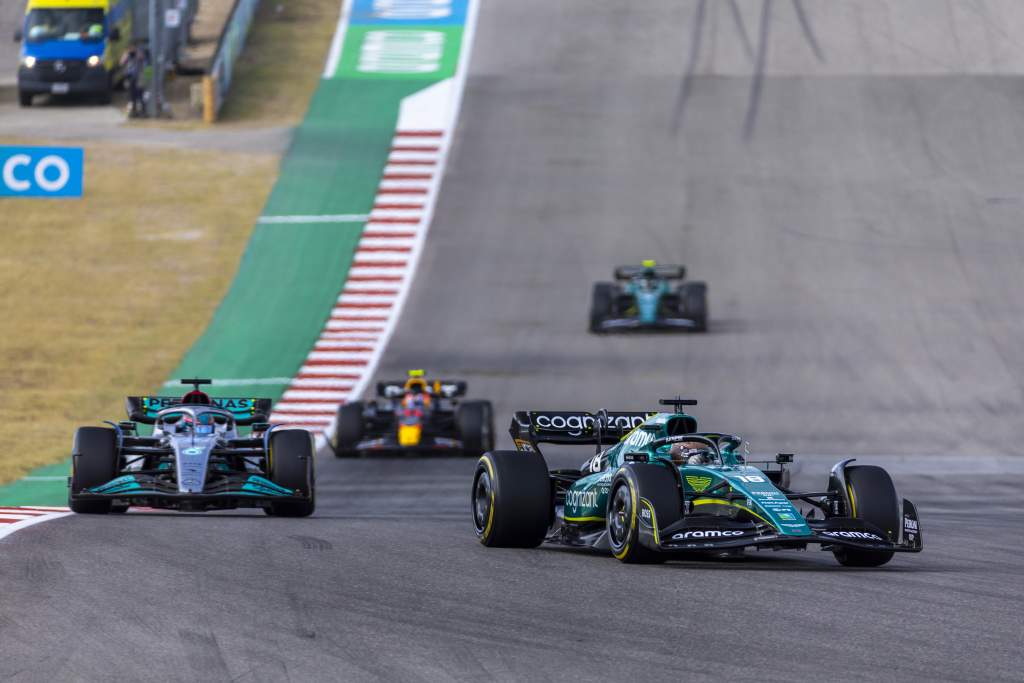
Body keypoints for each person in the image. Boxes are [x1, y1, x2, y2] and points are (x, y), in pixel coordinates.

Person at [120, 42, 147, 117]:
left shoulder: (140, 54)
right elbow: (121, 63)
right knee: (132, 95)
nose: (131, 49)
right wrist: (125, 56)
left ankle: (143, 111)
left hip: (139, 76)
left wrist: (139, 55)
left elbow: (144, 63)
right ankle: (133, 111)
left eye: (133, 48)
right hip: (130, 77)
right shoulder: (127, 55)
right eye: (130, 48)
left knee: (140, 94)